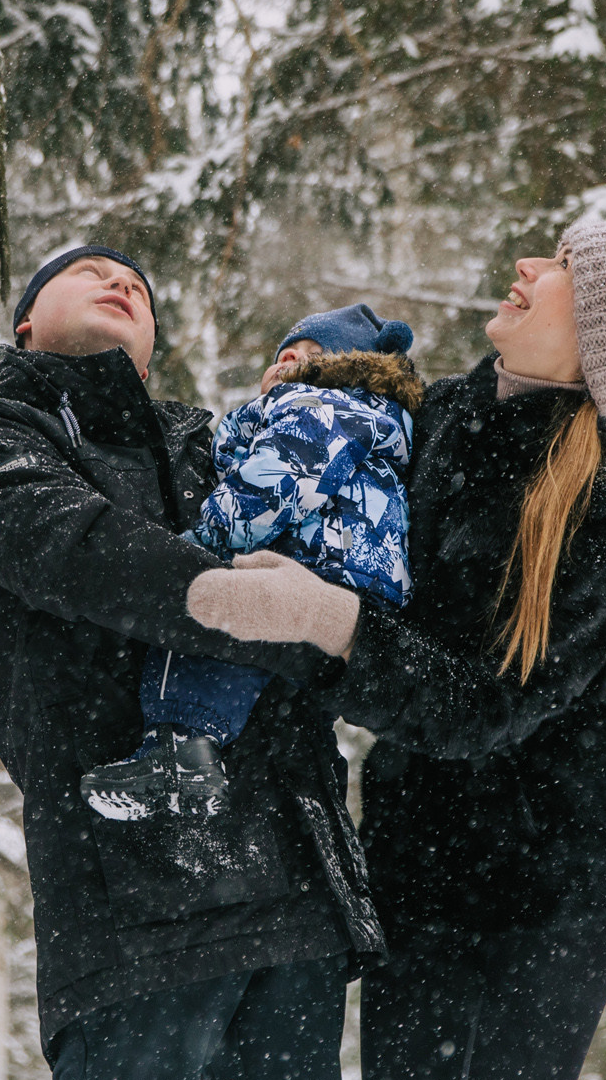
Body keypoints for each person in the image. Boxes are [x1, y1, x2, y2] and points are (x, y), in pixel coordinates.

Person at [184, 215, 606, 1080]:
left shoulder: (596, 503)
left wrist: (328, 623)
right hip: (425, 857)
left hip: (565, 874)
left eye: (563, 270)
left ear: (603, 331)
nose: (526, 267)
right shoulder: (424, 422)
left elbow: (483, 708)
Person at [0, 243, 383, 1080]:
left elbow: (318, 541)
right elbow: (74, 548)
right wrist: (247, 605)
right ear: (24, 323)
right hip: (131, 840)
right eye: (87, 272)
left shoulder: (208, 443)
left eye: (138, 282)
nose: (122, 280)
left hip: (286, 833)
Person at [81, 303, 421, 823]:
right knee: (262, 665)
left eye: (307, 356)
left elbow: (276, 482)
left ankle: (180, 750)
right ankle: (192, 753)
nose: (287, 364)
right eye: (282, 354)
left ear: (345, 369)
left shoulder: (318, 405)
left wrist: (206, 544)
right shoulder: (371, 419)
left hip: (313, 558)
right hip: (353, 576)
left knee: (203, 625)